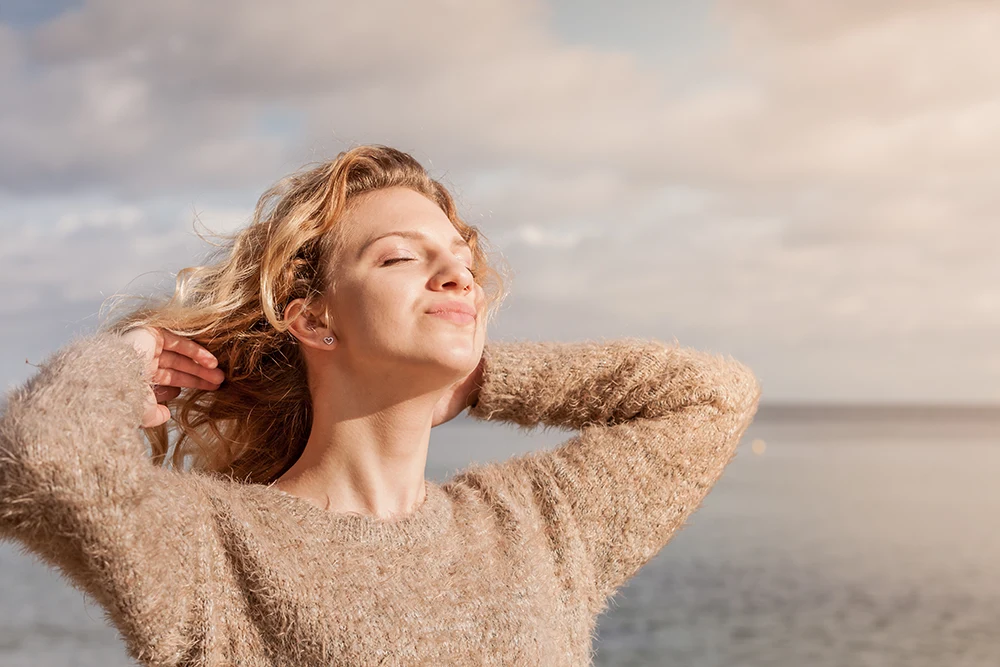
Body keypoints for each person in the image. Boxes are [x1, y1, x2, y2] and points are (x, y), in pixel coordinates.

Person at [0, 145, 761, 666]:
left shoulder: (539, 523)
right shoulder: (215, 551)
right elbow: (39, 463)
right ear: (312, 317)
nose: (457, 276)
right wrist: (130, 356)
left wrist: (486, 377)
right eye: (401, 257)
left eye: (462, 262)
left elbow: (712, 398)